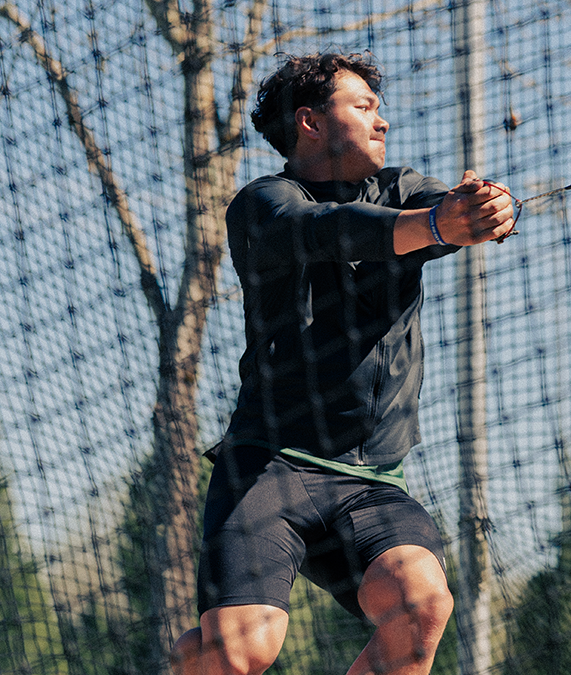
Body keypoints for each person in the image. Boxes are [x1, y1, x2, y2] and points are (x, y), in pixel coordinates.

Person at [169, 52, 515, 675]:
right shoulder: (263, 204)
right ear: (310, 123)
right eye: (363, 107)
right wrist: (436, 224)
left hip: (371, 482)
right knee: (239, 653)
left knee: (421, 605)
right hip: (269, 470)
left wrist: (484, 208)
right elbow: (329, 230)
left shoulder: (406, 189)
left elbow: (447, 211)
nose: (381, 121)